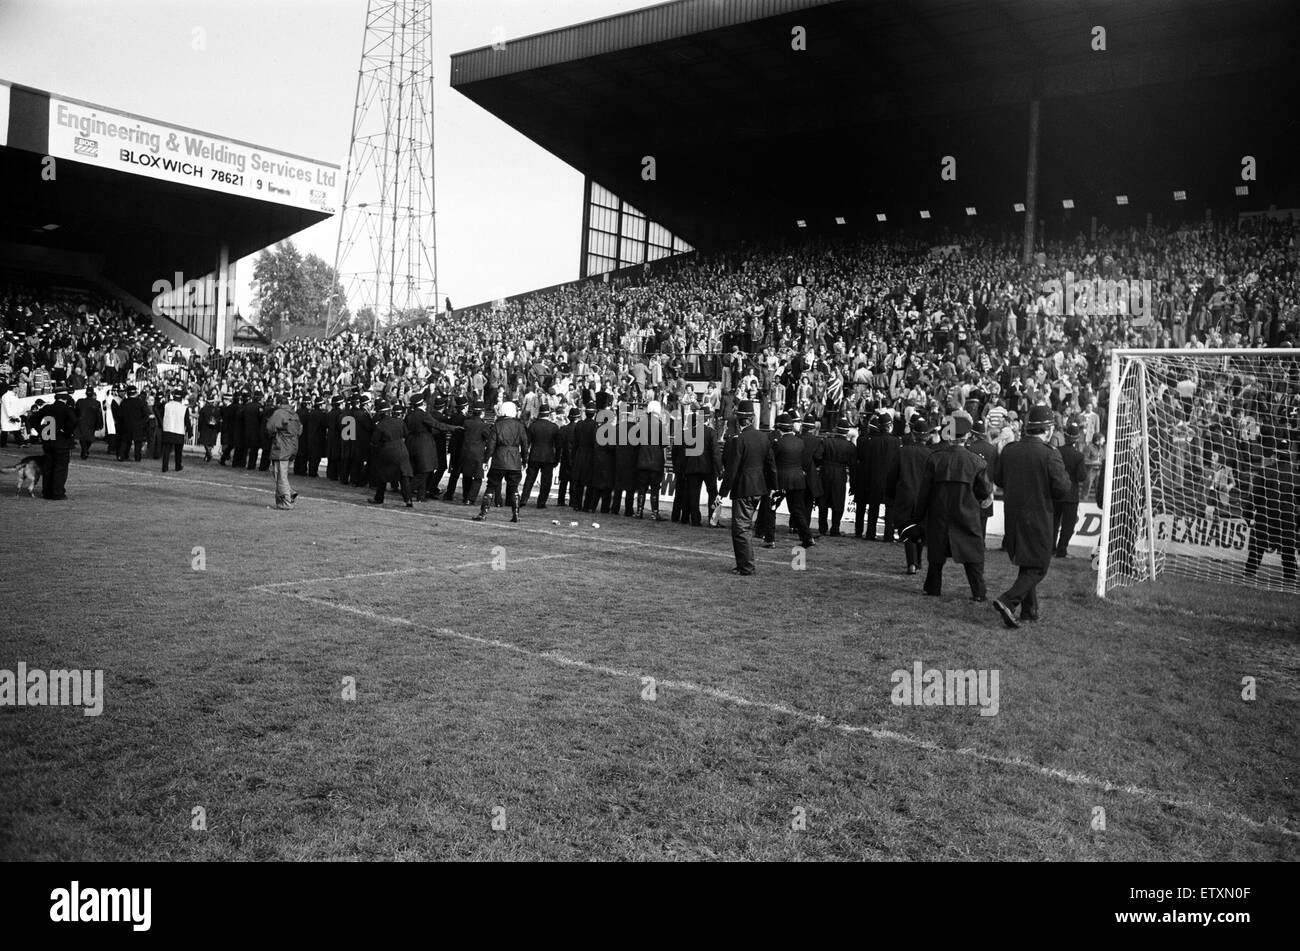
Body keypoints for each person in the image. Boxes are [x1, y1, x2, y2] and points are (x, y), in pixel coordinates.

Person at [990, 404, 1072, 627]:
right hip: (1038, 517)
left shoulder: (1010, 450)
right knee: (1038, 566)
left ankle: (1030, 610)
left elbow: (998, 479)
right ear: (1046, 429)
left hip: (1013, 515)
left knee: (1028, 563)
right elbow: (1063, 489)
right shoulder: (1050, 454)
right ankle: (1008, 600)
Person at [913, 416, 992, 600]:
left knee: (936, 556)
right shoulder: (977, 462)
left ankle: (932, 588)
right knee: (972, 556)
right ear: (967, 437)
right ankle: (979, 592)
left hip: (939, 515)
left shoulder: (935, 459)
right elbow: (985, 492)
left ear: (949, 435)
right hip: (967, 515)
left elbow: (924, 492)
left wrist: (918, 517)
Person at [725, 400, 777, 576]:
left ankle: (746, 566)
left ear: (740, 420)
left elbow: (732, 469)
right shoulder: (764, 437)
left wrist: (722, 492)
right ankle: (743, 564)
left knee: (741, 528)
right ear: (752, 418)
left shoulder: (739, 440)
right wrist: (773, 487)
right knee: (744, 527)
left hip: (744, 488)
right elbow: (771, 465)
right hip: (759, 488)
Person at [1243, 436, 1298, 583]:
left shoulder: (1265, 471)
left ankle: (1249, 576)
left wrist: (1247, 515)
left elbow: (1254, 496)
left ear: (1276, 455)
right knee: (1288, 553)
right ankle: (1290, 580)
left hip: (1266, 517)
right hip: (1288, 520)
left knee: (1257, 548)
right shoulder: (1296, 475)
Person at [889, 416, 938, 575]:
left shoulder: (903, 451)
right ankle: (918, 562)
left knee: (907, 528)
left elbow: (891, 476)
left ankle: (912, 562)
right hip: (924, 497)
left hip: (906, 494)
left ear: (914, 434)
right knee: (920, 528)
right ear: (927, 436)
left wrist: (890, 496)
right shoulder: (932, 454)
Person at [474, 400, 530, 522]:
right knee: (514, 488)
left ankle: (483, 513)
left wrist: (486, 459)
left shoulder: (497, 425)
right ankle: (516, 514)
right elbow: (525, 445)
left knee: (491, 486)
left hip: (499, 459)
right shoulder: (520, 426)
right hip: (514, 460)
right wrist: (525, 460)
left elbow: (491, 445)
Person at [773, 412, 816, 548]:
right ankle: (807, 538)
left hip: (781, 480)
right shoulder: (800, 442)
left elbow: (772, 462)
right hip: (798, 479)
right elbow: (806, 461)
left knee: (771, 508)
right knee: (797, 511)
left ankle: (769, 538)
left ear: (780, 428)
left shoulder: (778, 443)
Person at [854, 410, 898, 541]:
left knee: (873, 507)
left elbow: (868, 462)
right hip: (890, 479)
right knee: (889, 507)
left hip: (874, 478)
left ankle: (870, 533)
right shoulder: (895, 441)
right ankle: (888, 535)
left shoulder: (872, 441)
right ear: (889, 426)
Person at [368, 398, 414, 507]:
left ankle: (379, 498)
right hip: (402, 450)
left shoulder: (380, 425)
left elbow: (374, 441)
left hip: (387, 451)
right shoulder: (399, 422)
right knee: (404, 476)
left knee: (382, 476)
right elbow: (406, 435)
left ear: (380, 413)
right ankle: (408, 500)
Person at [34, 386, 77, 500]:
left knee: (48, 467)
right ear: (66, 398)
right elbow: (73, 421)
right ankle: (57, 492)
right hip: (62, 442)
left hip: (48, 441)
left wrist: (42, 431)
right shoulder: (66, 409)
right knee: (60, 468)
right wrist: (67, 432)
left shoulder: (47, 408)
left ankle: (47, 492)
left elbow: (33, 419)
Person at [1053, 420, 1088, 557]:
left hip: (1056, 493)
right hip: (1071, 495)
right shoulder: (1078, 456)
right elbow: (1081, 477)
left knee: (1054, 523)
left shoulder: (1057, 452)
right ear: (1076, 439)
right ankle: (1062, 550)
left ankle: (1051, 549)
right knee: (1067, 526)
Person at [265, 392, 302, 510]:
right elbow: (300, 430)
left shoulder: (279, 413)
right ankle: (290, 492)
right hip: (292, 447)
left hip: (281, 448)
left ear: (279, 403)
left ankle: (286, 501)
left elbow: (269, 427)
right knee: (281, 474)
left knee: (280, 475)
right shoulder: (294, 414)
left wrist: (277, 435)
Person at [817, 419, 854, 536]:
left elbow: (818, 457)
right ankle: (835, 529)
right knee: (838, 502)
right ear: (847, 432)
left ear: (837, 429)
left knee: (823, 501)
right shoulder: (850, 446)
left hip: (825, 472)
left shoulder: (826, 442)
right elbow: (853, 465)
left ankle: (822, 528)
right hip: (840, 473)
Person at [521, 403, 559, 508]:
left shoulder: (533, 426)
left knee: (529, 479)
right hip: (548, 457)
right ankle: (541, 502)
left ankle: (524, 499)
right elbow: (558, 446)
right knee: (546, 481)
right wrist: (557, 458)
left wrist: (525, 457)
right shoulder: (554, 427)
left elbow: (526, 443)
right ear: (549, 414)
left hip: (534, 456)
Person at [966, 418, 999, 542]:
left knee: (969, 519)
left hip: (970, 488)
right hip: (986, 488)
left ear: (973, 434)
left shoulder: (968, 447)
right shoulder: (992, 449)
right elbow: (996, 470)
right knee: (983, 519)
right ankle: (981, 542)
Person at [459, 400, 490, 505]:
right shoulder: (483, 425)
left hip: (465, 452)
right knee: (478, 477)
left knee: (466, 475)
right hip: (477, 454)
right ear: (482, 413)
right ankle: (470, 498)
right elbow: (489, 438)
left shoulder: (466, 422)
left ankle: (465, 496)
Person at [116, 384, 149, 462]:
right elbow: (146, 415)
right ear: (135, 393)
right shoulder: (140, 402)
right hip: (138, 425)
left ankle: (121, 455)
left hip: (126, 425)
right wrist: (142, 424)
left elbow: (119, 415)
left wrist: (122, 424)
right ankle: (137, 457)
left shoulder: (124, 402)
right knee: (138, 442)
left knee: (125, 441)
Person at [161, 388, 190, 473]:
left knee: (166, 450)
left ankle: (165, 467)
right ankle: (178, 466)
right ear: (181, 398)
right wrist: (190, 432)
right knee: (178, 451)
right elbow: (187, 421)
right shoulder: (184, 408)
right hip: (179, 430)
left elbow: (162, 415)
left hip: (167, 429)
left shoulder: (166, 405)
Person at [75, 387, 104, 459]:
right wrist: (100, 424)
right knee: (89, 438)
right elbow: (99, 415)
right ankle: (85, 450)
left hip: (81, 422)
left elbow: (76, 412)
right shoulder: (96, 403)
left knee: (83, 438)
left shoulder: (80, 402)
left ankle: (84, 450)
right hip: (91, 423)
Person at [197, 394, 221, 462]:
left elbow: (200, 420)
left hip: (205, 428)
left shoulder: (203, 409)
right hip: (213, 428)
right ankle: (208, 454)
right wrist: (218, 429)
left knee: (205, 442)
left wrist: (199, 428)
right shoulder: (217, 410)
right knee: (211, 443)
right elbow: (219, 420)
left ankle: (208, 454)